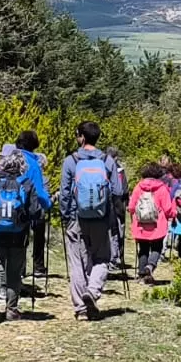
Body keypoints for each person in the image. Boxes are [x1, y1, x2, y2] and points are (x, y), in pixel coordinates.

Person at [59, 122, 126, 320]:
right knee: (102, 258)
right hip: (101, 217)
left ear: (81, 137)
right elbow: (117, 191)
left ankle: (80, 308)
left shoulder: (71, 160)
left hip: (76, 217)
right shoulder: (107, 160)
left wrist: (66, 215)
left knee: (77, 262)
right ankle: (93, 290)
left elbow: (64, 192)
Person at [0, 146, 51, 321]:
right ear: (22, 166)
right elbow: (35, 212)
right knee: (14, 271)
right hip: (18, 235)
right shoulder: (26, 184)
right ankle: (11, 309)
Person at [127, 163, 174, 284]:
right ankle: (150, 266)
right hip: (157, 224)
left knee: (143, 249)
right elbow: (168, 208)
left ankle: (142, 274)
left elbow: (131, 206)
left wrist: (132, 214)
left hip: (141, 224)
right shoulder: (162, 188)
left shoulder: (138, 187)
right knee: (157, 248)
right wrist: (172, 215)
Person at [16, 131, 49, 281]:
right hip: (31, 206)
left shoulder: (11, 159)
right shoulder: (33, 163)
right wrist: (47, 203)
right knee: (38, 233)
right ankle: (38, 266)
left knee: (18, 238)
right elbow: (39, 189)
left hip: (12, 205)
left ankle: (19, 268)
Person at [105, 146, 128, 271]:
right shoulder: (119, 170)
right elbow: (123, 191)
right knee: (116, 232)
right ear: (116, 157)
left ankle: (108, 259)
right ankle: (116, 257)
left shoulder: (99, 166)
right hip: (117, 206)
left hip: (101, 206)